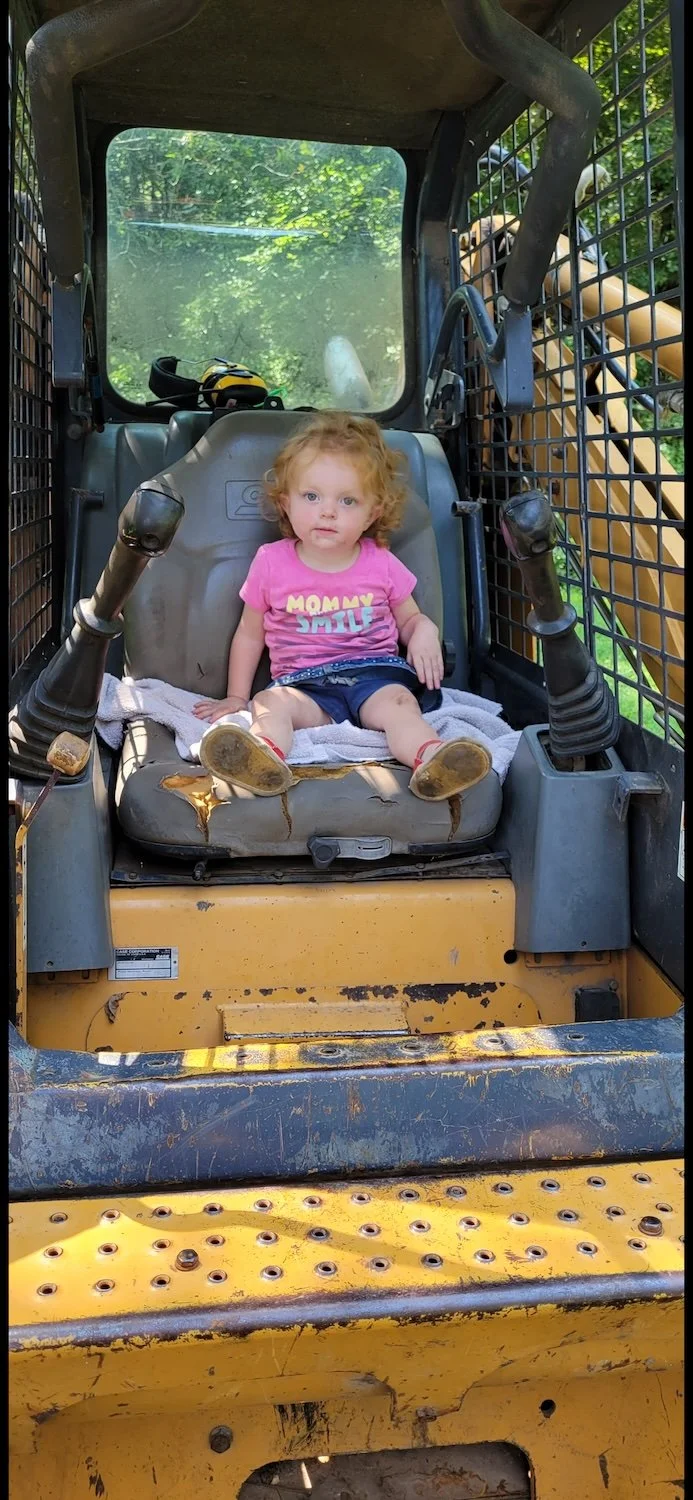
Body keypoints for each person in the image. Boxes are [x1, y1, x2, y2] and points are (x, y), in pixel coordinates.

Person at [192, 412, 491, 800]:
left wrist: (425, 631)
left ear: (373, 513)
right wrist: (237, 697)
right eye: (311, 496)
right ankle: (262, 760)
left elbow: (411, 619)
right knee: (268, 703)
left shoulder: (381, 563)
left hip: (373, 679)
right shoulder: (271, 562)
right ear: (285, 502)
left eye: (348, 500)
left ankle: (434, 760)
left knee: (402, 706)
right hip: (304, 686)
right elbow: (250, 634)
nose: (327, 511)